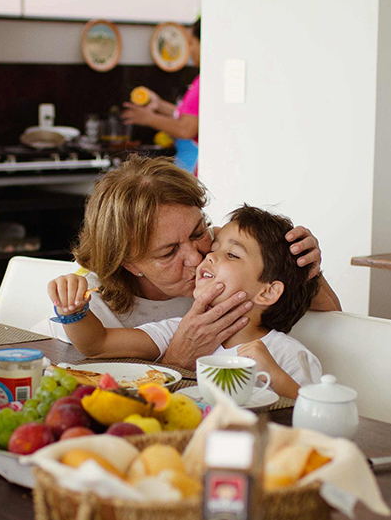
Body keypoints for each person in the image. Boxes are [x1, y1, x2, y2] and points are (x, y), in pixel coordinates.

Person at [43, 156, 341, 370]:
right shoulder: (94, 302)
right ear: (129, 264)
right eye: (168, 252)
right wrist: (177, 360)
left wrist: (304, 266)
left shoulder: (224, 255)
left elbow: (335, 321)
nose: (199, 257)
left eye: (199, 232)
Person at [50, 205, 322, 399]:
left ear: (267, 292)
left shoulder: (283, 353)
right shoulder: (177, 330)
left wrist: (274, 375)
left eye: (232, 255)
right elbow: (96, 344)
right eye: (214, 250)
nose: (204, 258)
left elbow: (317, 421)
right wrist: (73, 311)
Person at [122, 18, 202, 172]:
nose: (189, 50)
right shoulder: (200, 80)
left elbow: (186, 129)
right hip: (187, 167)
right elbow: (188, 116)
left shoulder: (203, 83)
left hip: (193, 168)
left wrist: (149, 118)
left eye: (192, 43)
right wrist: (159, 104)